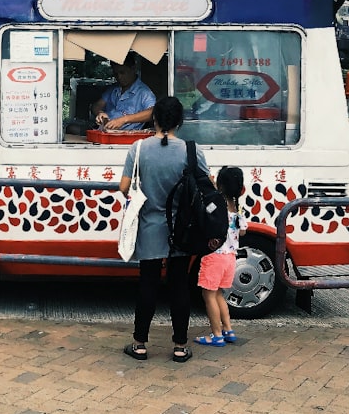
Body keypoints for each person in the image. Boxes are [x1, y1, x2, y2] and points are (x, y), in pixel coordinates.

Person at [119, 96, 209, 363]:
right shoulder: (191, 151)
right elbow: (208, 186)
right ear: (180, 121)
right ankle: (180, 346)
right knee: (179, 286)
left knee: (147, 284)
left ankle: (140, 344)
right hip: (182, 231)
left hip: (149, 227)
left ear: (154, 119)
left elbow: (124, 187)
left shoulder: (138, 149)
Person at [195, 166, 247, 347]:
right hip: (230, 257)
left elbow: (205, 213)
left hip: (214, 256)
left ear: (221, 185)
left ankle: (216, 335)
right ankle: (228, 329)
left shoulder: (216, 204)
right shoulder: (237, 207)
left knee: (208, 295)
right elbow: (242, 233)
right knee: (219, 294)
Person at [92, 53, 156, 131]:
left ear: (133, 69)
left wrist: (124, 120)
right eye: (116, 74)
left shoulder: (144, 92)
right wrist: (100, 113)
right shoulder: (113, 88)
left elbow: (152, 112)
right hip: (104, 132)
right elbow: (97, 105)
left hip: (125, 137)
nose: (119, 77)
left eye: (122, 72)